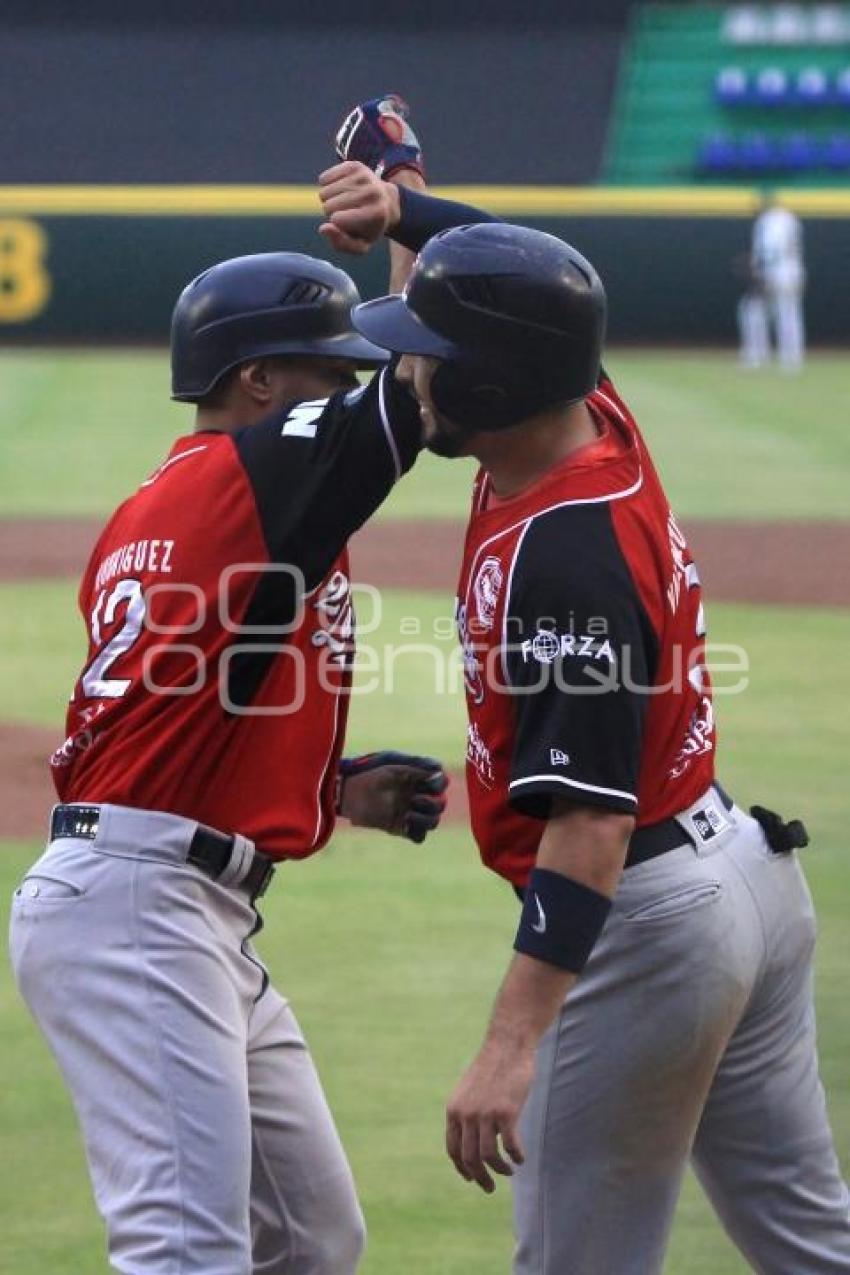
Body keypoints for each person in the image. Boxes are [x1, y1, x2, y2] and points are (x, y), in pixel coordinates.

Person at [322, 99, 850, 1274]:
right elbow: (523, 285)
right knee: (814, 1246)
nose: (408, 368)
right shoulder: (581, 411)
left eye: (427, 354)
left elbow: (589, 827)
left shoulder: (566, 559)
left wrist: (510, 1048)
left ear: (488, 388)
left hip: (649, 924)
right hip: (744, 884)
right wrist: (402, 197)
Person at [8, 190, 449, 1271]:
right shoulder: (243, 483)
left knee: (310, 1240)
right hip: (141, 909)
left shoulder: (175, 503)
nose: (342, 387)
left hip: (165, 893)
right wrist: (410, 215)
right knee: (186, 1248)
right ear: (257, 381)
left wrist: (326, 788)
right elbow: (420, 380)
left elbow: (182, 711)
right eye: (323, 371)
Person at [740, 192, 806, 369]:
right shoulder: (789, 218)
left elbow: (771, 251)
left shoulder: (768, 221)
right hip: (792, 270)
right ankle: (791, 358)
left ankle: (757, 356)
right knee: (789, 314)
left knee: (754, 311)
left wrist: (761, 272)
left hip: (776, 270)